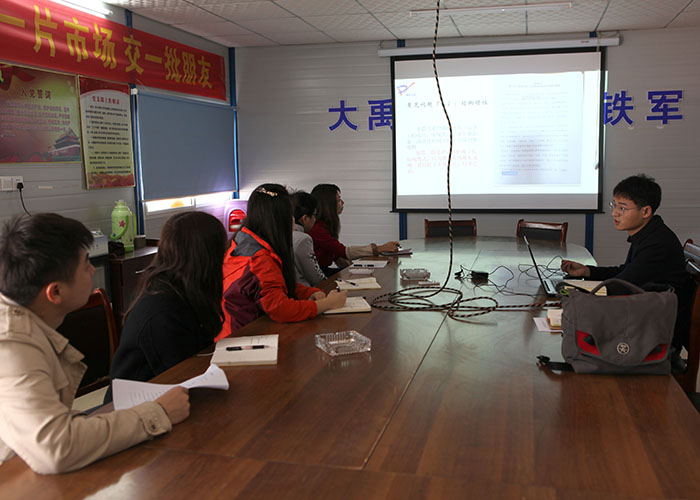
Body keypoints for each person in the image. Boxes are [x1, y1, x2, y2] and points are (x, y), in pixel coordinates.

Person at [0, 213, 189, 474]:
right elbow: (56, 448)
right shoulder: (11, 346)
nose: (92, 270)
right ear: (55, 292)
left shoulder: (24, 322)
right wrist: (158, 412)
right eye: (85, 264)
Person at [561, 174, 694, 350]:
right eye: (614, 205)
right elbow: (625, 272)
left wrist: (574, 294)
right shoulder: (648, 234)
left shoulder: (657, 244)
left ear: (645, 212)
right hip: (647, 316)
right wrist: (587, 271)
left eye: (622, 208)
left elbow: (622, 286)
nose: (614, 213)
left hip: (656, 331)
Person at [109, 212, 228, 386]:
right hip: (141, 398)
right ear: (208, 258)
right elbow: (184, 379)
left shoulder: (183, 288)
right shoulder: (163, 312)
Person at [216, 184, 347, 341]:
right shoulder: (259, 259)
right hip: (241, 339)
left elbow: (275, 285)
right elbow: (280, 308)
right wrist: (328, 304)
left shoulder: (242, 240)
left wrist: (308, 292)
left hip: (242, 331)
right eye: (290, 215)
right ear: (279, 219)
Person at [309, 184, 400, 276]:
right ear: (328, 204)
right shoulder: (317, 228)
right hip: (319, 273)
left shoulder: (325, 225)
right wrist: (378, 249)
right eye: (339, 200)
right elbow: (343, 251)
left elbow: (337, 254)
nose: (343, 202)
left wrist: (354, 268)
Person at [291, 191, 327, 287]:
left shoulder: (278, 234)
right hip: (305, 291)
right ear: (305, 218)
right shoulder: (303, 239)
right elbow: (316, 278)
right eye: (314, 215)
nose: (315, 219)